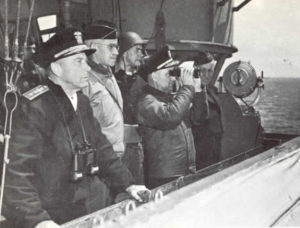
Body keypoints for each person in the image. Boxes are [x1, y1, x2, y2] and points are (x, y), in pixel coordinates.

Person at [3, 28, 148, 228]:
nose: (87, 68)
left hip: (83, 209)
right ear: (57, 68)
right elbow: (16, 174)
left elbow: (102, 149)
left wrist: (128, 183)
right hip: (51, 215)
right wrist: (38, 220)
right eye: (78, 62)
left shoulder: (81, 101)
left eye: (86, 61)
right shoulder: (34, 109)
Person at [136, 61, 203, 189]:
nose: (173, 78)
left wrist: (198, 90)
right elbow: (170, 117)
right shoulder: (146, 101)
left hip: (184, 170)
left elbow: (199, 117)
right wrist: (187, 88)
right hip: (164, 175)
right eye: (169, 73)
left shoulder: (172, 99)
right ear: (154, 76)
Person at [82, 22, 125, 157]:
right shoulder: (84, 80)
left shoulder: (108, 73)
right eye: (111, 47)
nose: (116, 52)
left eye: (117, 47)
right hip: (102, 158)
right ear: (94, 47)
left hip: (118, 154)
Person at [114, 31, 146, 184]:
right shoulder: (112, 81)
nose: (142, 54)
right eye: (137, 50)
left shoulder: (140, 81)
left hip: (136, 146)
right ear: (125, 53)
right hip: (119, 148)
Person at [191, 60, 224, 170]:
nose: (206, 75)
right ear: (195, 71)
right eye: (202, 71)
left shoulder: (210, 90)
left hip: (214, 145)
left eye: (210, 71)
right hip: (200, 148)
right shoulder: (192, 92)